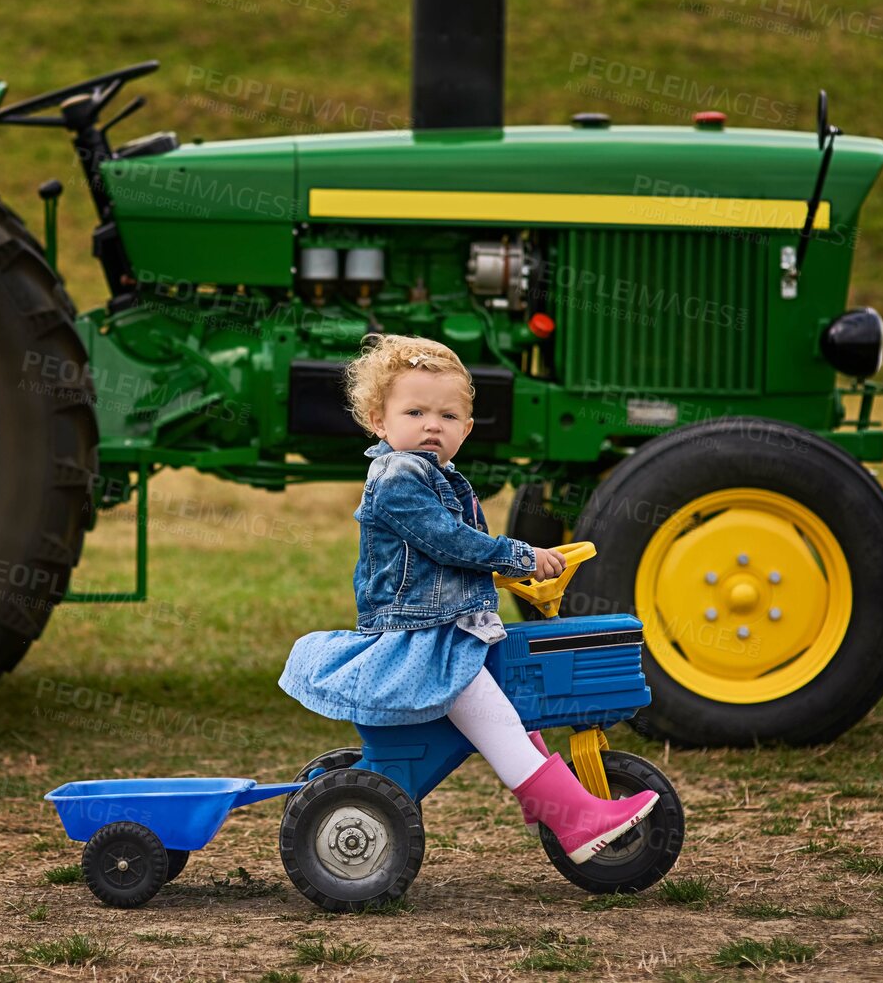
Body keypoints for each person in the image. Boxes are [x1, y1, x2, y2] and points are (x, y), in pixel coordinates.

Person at [278, 334, 657, 864]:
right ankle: (574, 818)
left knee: (513, 709)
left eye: (448, 416)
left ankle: (555, 802)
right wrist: (517, 557)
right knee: (498, 723)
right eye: (415, 412)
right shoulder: (398, 477)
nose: (432, 425)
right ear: (378, 421)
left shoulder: (438, 475)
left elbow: (446, 559)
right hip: (425, 638)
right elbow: (447, 541)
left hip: (449, 626)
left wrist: (504, 575)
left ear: (467, 429)